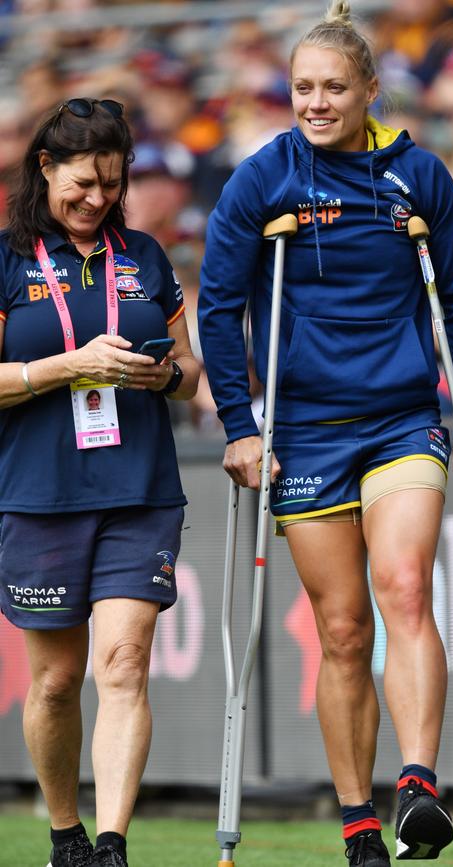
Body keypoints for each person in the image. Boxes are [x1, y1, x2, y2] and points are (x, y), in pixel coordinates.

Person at [199, 3, 453, 864]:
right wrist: (240, 425)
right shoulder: (262, 179)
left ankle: (417, 784)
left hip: (404, 418)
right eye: (303, 88)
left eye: (335, 88)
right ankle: (359, 822)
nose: (317, 103)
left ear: (371, 89)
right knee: (342, 631)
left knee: (403, 586)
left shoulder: (420, 176)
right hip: (305, 430)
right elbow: (218, 307)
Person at [0, 97, 200, 867]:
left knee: (124, 661)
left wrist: (166, 375)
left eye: (112, 184)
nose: (97, 199)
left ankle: (112, 843)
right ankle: (66, 836)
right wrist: (68, 366)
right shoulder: (9, 261)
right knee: (55, 683)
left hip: (138, 487)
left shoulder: (145, 254)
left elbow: (190, 378)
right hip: (38, 492)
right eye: (83, 182)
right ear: (45, 167)